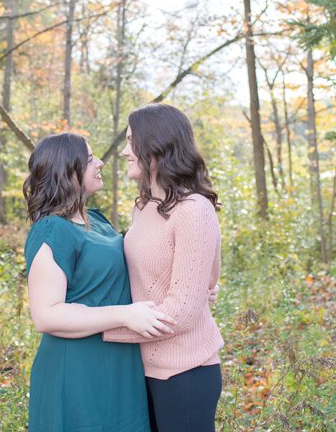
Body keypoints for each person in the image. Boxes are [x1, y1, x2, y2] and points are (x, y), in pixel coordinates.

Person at [23, 132, 175, 431]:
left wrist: (187, 285)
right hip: (77, 370)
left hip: (121, 366)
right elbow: (46, 314)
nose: (101, 162)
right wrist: (123, 314)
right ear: (68, 170)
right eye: (90, 158)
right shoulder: (52, 230)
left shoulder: (98, 221)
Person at [103, 104, 224, 432]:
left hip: (185, 375)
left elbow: (184, 309)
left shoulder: (194, 210)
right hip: (140, 370)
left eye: (132, 142)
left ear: (156, 146)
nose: (126, 152)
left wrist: (101, 332)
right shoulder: (143, 207)